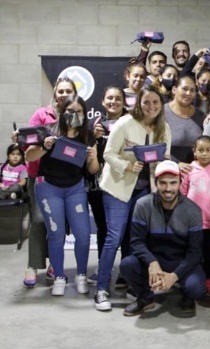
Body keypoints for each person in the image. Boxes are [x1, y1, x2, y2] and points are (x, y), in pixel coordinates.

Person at [94, 85, 171, 311]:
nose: (151, 106)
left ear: (161, 104)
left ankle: (132, 285)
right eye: (146, 102)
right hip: (118, 188)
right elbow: (108, 153)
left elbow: (164, 157)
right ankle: (101, 289)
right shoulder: (125, 123)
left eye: (156, 102)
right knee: (114, 237)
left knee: (135, 240)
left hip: (146, 191)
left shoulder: (164, 127)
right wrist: (127, 165)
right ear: (138, 103)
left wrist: (166, 162)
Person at [25, 95, 99, 296]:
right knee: (56, 234)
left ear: (85, 114)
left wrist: (92, 158)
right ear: (62, 111)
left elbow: (93, 170)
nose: (74, 115)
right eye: (70, 111)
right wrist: (43, 147)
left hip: (75, 188)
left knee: (83, 235)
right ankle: (59, 276)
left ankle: (81, 275)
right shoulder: (48, 130)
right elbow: (28, 156)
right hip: (49, 188)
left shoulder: (87, 135)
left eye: (79, 111)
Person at [120, 160, 206, 316]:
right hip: (154, 259)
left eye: (173, 183)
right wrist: (152, 262)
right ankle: (145, 297)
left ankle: (187, 296)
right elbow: (136, 242)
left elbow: (195, 253)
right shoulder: (142, 205)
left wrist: (174, 276)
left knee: (196, 288)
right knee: (127, 264)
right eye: (163, 183)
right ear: (156, 183)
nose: (168, 188)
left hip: (180, 260)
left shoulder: (193, 210)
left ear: (180, 182)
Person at [19, 77, 77, 288]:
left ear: (73, 93)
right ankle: (33, 266)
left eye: (67, 91)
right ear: (54, 92)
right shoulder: (41, 115)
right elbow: (28, 145)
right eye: (60, 91)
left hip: (65, 178)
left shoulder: (75, 115)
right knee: (38, 220)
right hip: (39, 176)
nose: (63, 94)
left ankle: (55, 264)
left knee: (58, 222)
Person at [86, 86, 128, 284]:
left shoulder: (131, 122)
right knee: (103, 228)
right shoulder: (94, 125)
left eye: (118, 98)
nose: (113, 102)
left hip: (125, 181)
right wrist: (94, 138)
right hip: (100, 185)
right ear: (103, 101)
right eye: (109, 98)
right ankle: (104, 268)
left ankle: (125, 273)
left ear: (124, 101)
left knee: (127, 229)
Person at [180, 135, 210, 297]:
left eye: (208, 150)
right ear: (194, 152)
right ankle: (188, 281)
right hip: (192, 224)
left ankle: (209, 281)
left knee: (209, 255)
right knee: (193, 253)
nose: (204, 154)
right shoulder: (189, 170)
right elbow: (182, 195)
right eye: (200, 150)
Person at [164, 76, 205, 169]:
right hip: (168, 169)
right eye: (184, 89)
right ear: (174, 90)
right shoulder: (162, 113)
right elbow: (156, 145)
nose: (188, 93)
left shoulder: (201, 115)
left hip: (195, 171)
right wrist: (176, 164)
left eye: (192, 90)